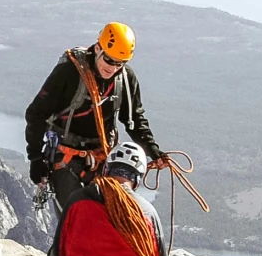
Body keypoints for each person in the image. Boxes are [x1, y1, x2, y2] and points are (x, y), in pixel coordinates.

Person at [23, 20, 161, 215]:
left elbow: (134, 119)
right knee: (74, 215)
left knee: (108, 217)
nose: (112, 68)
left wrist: (154, 151)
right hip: (66, 156)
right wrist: (36, 159)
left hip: (102, 157)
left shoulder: (125, 79)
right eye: (109, 60)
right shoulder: (69, 72)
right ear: (98, 48)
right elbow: (36, 114)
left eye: (120, 64)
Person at [52, 137, 165, 256]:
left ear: (106, 169)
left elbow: (58, 253)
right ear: (137, 179)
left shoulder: (78, 199)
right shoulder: (146, 211)